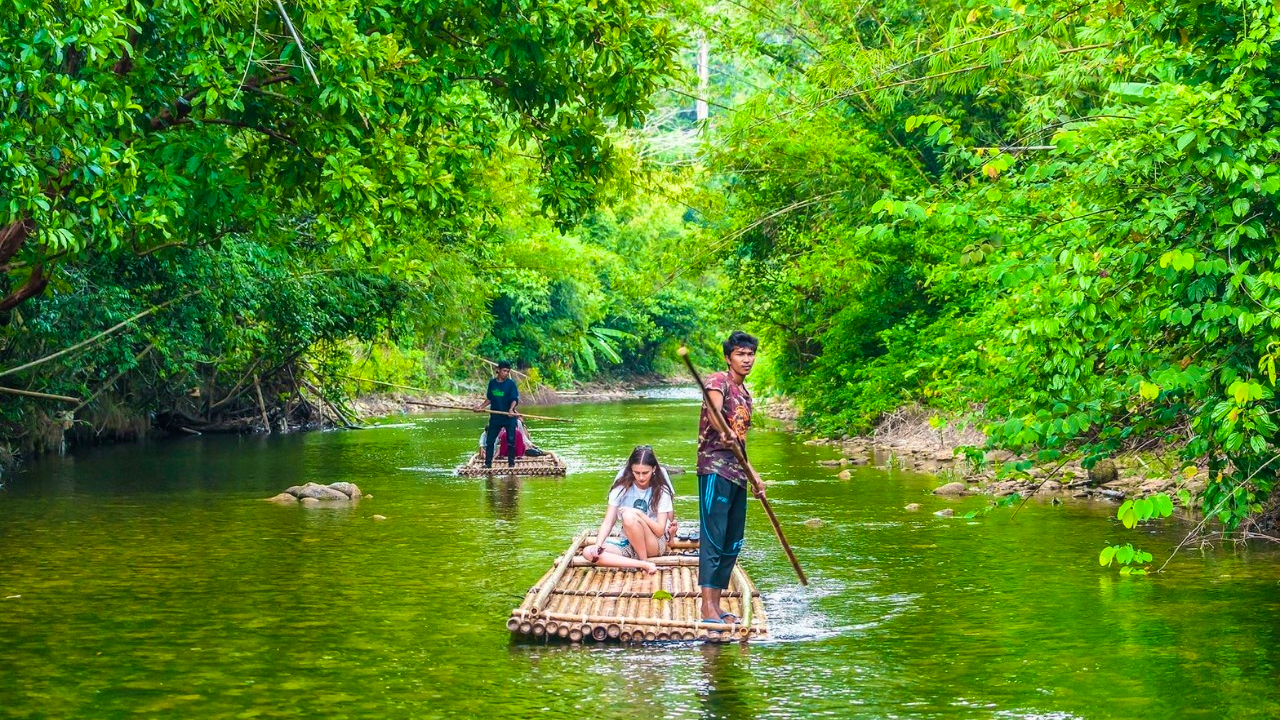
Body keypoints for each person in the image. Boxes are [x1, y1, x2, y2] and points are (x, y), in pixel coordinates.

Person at [697, 330, 765, 625]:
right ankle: (706, 609)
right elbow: (714, 413)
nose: (746, 359)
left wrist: (754, 476)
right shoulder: (717, 381)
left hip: (737, 473)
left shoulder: (746, 394)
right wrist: (721, 428)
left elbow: (741, 441)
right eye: (740, 354)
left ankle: (717, 605)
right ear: (728, 358)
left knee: (732, 540)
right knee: (713, 538)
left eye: (750, 354)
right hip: (715, 469)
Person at [581, 445, 678, 574]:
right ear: (630, 470)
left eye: (645, 473)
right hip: (628, 541)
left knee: (628, 515)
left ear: (653, 469)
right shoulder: (621, 487)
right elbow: (609, 521)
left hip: (653, 543)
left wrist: (638, 513)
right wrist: (598, 544)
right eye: (637, 473)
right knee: (588, 552)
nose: (641, 477)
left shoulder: (661, 490)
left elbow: (660, 530)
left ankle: (643, 559)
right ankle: (641, 564)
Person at [475, 361, 520, 468]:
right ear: (498, 370)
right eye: (504, 371)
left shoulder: (510, 384)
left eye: (508, 372)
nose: (506, 373)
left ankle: (511, 464)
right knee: (490, 440)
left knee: (510, 441)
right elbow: (490, 398)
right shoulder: (492, 383)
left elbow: (514, 399)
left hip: (509, 417)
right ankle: (488, 463)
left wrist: (511, 409)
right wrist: (481, 407)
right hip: (496, 417)